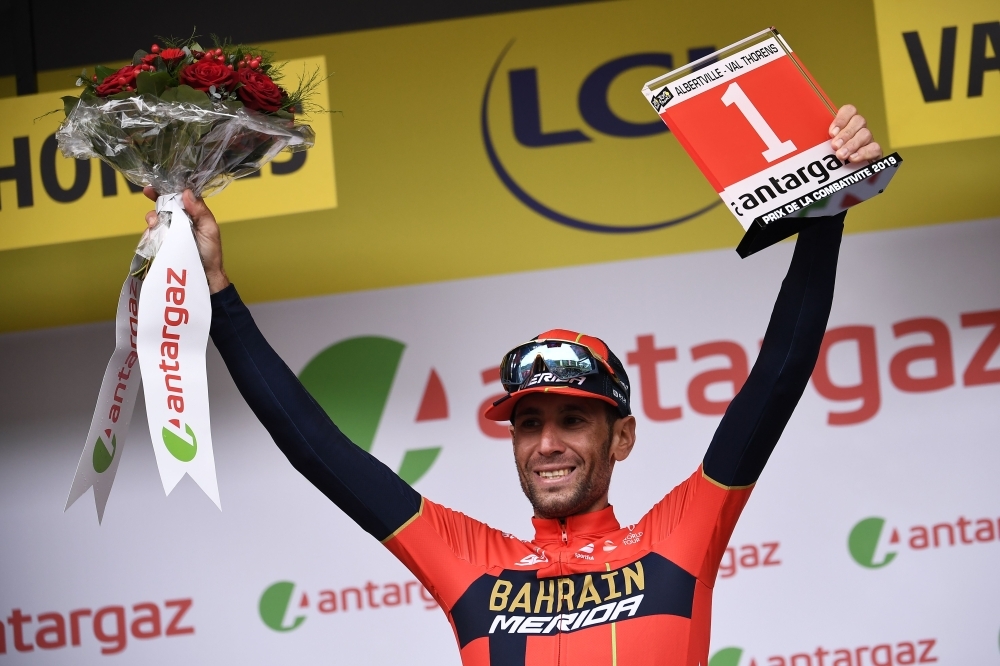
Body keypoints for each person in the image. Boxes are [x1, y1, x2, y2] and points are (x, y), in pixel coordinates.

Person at [144, 105, 881, 666]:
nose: (548, 444)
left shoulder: (679, 536)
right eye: (528, 423)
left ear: (622, 435)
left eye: (574, 419)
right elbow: (315, 448)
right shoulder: (469, 560)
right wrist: (215, 288)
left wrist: (825, 209)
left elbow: (779, 372)